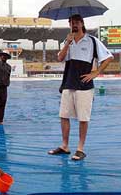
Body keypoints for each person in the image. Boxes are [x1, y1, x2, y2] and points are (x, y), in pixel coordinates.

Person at [48, 14, 113, 160]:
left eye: (77, 22)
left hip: (84, 86)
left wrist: (95, 73)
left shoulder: (92, 41)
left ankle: (80, 148)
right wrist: (67, 43)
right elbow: (60, 58)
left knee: (83, 118)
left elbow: (108, 57)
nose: (74, 25)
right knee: (64, 116)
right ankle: (65, 146)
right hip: (68, 83)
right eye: (71, 22)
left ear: (82, 23)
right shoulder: (68, 40)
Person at [0, 51, 12, 125]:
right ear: (0, 56)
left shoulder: (9, 67)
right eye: (2, 55)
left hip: (4, 88)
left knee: (2, 103)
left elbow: (8, 77)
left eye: (5, 56)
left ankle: (0, 120)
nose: (4, 57)